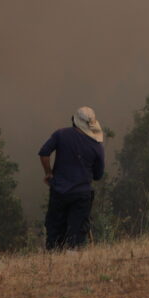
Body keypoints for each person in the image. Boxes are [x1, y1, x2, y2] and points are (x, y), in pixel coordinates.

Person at [38, 106, 105, 250]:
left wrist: (48, 173)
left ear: (74, 121)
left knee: (55, 232)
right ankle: (73, 260)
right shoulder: (96, 145)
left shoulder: (60, 135)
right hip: (82, 194)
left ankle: (53, 260)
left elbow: (44, 153)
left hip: (59, 192)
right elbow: (98, 175)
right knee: (77, 234)